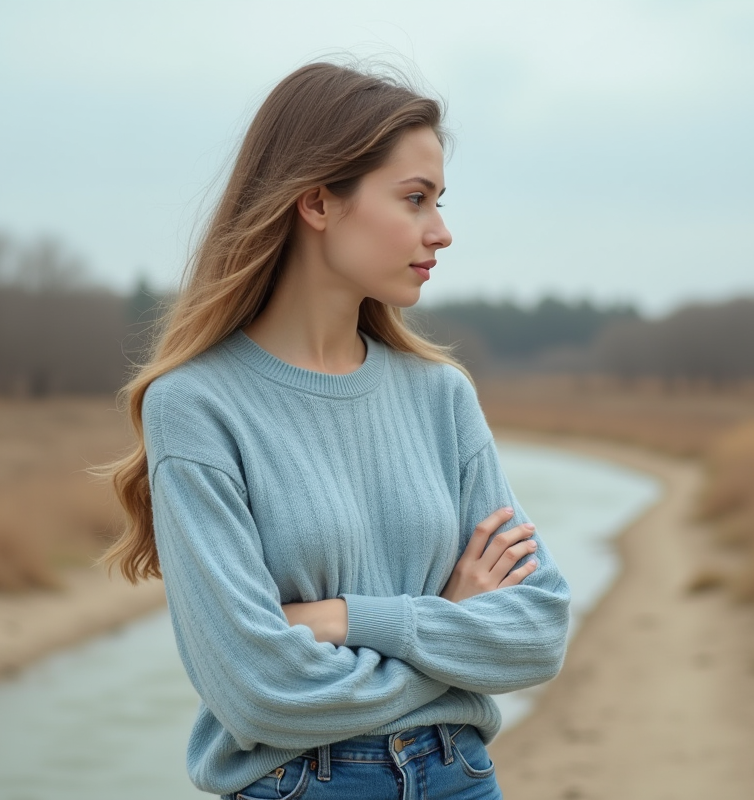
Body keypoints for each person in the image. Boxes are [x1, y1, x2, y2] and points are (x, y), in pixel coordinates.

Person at [102, 61, 571, 800]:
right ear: (318, 201)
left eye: (439, 201)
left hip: (461, 778)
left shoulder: (441, 395)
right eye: (415, 199)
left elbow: (538, 630)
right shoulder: (196, 406)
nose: (441, 232)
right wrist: (449, 622)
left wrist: (345, 618)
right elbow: (260, 689)